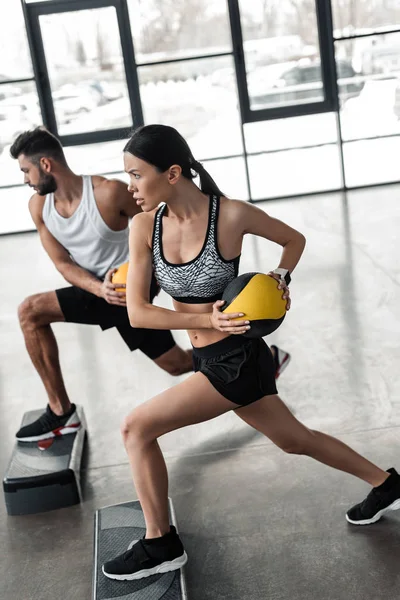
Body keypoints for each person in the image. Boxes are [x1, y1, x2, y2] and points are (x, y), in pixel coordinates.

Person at [101, 124, 400, 582]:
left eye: (137, 175)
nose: (130, 187)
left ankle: (160, 543)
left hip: (236, 362)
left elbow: (293, 240)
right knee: (294, 439)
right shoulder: (145, 225)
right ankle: (387, 484)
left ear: (173, 173)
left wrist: (280, 277)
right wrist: (204, 321)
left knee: (136, 429)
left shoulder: (231, 216)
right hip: (210, 356)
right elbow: (140, 314)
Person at [9, 127, 194, 442]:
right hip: (96, 289)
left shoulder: (109, 193)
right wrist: (98, 289)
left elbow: (162, 226)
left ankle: (247, 358)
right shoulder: (39, 207)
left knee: (176, 365)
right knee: (30, 312)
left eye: (26, 170)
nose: (25, 179)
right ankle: (60, 413)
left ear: (45, 165)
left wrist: (149, 275)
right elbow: (63, 263)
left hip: (131, 287)